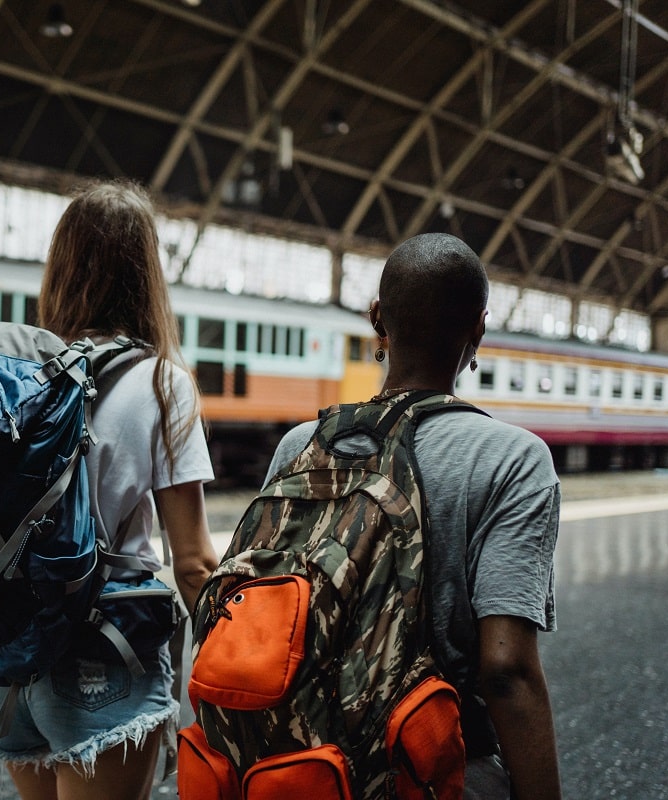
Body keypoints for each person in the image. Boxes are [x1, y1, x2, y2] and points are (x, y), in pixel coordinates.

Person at [0, 181, 221, 800]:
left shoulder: (17, 376)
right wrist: (239, 676)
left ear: (60, 266)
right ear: (146, 274)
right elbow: (192, 561)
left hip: (7, 658)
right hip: (104, 654)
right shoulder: (162, 382)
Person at [263, 233, 562, 800]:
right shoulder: (516, 460)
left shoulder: (301, 446)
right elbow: (506, 670)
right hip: (434, 769)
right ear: (478, 328)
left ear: (378, 319)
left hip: (301, 771)